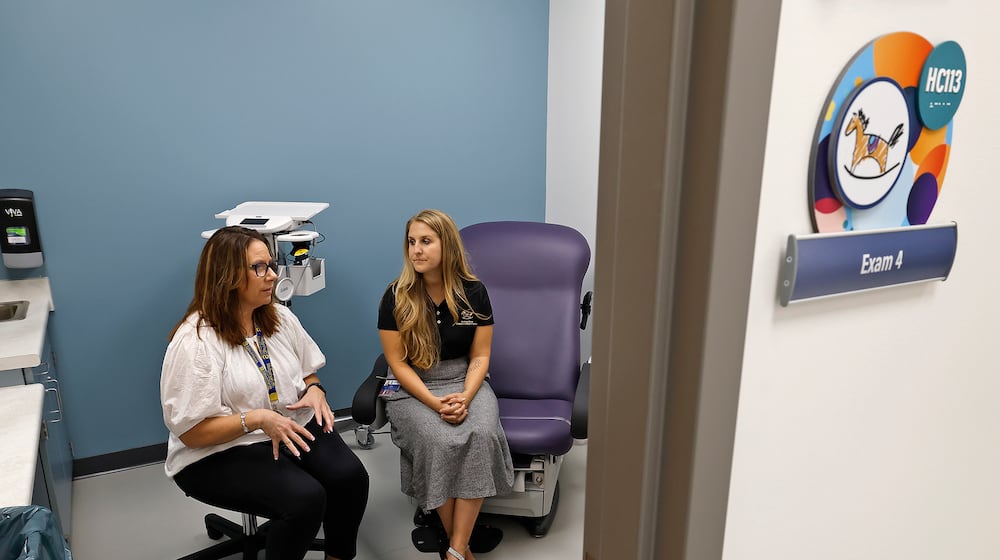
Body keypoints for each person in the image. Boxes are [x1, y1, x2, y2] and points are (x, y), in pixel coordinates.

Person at [160, 226, 368, 560]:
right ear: (227, 276)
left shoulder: (279, 318)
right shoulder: (196, 342)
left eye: (271, 265)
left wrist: (315, 389)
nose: (272, 275)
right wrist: (256, 419)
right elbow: (192, 433)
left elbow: (307, 369)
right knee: (305, 499)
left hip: (288, 425)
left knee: (350, 478)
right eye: (260, 267)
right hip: (219, 449)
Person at [377, 209, 514, 560]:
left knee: (481, 435)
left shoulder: (473, 292)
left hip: (465, 379)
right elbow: (397, 363)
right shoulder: (396, 295)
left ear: (447, 245)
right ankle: (462, 546)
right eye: (411, 242)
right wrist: (435, 403)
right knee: (438, 439)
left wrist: (466, 396)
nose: (416, 250)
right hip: (414, 386)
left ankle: (455, 548)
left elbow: (480, 356)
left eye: (426, 241)